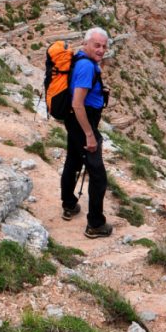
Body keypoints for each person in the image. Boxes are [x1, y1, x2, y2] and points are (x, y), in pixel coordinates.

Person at [60, 27, 112, 238]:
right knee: (98, 175)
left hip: (75, 123)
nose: (101, 50)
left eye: (104, 46)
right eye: (97, 45)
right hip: (83, 123)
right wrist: (90, 135)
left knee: (73, 162)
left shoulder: (81, 61)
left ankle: (69, 204)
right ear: (86, 44)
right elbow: (78, 104)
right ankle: (95, 225)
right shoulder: (86, 67)